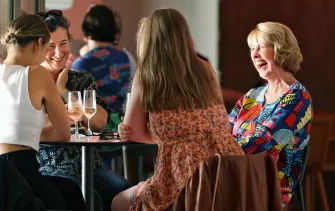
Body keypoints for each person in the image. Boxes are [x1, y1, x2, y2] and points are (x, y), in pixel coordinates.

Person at [112, 8, 244, 211]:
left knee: (117, 202)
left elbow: (134, 132)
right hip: (229, 176)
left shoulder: (147, 75)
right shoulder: (205, 69)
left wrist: (130, 129)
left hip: (184, 182)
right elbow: (208, 124)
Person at [0, 14, 86, 210]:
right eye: (46, 50)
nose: (46, 57)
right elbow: (63, 133)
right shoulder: (37, 74)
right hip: (17, 172)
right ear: (39, 43)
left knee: (66, 190)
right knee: (71, 193)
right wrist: (34, 133)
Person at [35, 10, 131, 211]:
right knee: (91, 198)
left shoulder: (81, 79)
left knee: (125, 191)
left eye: (63, 44)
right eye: (51, 46)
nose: (59, 53)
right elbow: (35, 127)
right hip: (48, 167)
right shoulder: (31, 80)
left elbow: (99, 123)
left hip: (89, 166)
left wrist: (64, 92)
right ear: (39, 45)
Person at [228, 22, 313, 207]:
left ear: (280, 49)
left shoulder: (297, 96)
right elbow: (222, 130)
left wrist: (215, 150)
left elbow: (260, 144)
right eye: (252, 48)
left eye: (261, 46)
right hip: (234, 174)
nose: (255, 54)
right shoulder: (251, 97)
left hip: (267, 184)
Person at [71, 5, 131, 132]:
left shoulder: (81, 64)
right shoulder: (127, 57)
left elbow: (74, 102)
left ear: (86, 31)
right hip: (123, 127)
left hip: (94, 130)